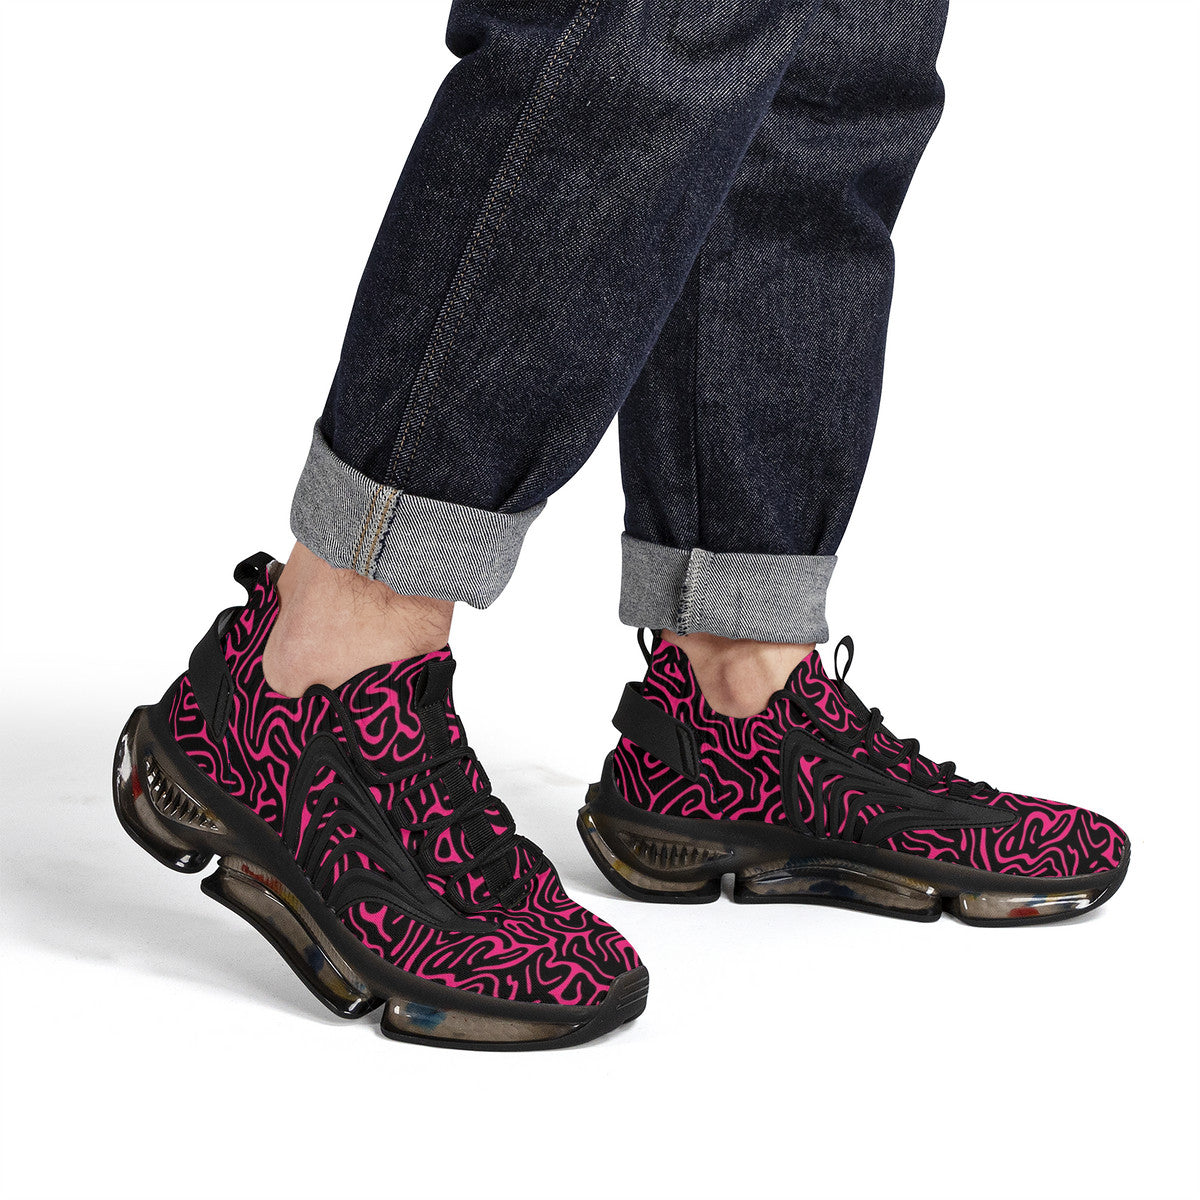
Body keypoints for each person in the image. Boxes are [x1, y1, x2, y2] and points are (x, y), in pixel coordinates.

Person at [112, 0, 1128, 1050]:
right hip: (298, 696)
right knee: (646, 24)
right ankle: (317, 668)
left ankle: (735, 703)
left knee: (839, 65)